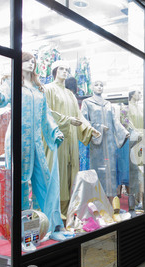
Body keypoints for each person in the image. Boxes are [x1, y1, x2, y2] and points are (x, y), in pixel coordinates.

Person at [0, 52, 70, 241]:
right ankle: (20, 231)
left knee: (44, 180)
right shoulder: (12, 84)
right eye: (27, 60)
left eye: (33, 61)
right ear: (19, 63)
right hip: (18, 139)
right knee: (19, 183)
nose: (31, 63)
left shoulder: (38, 89)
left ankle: (49, 227)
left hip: (36, 141)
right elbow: (0, 100)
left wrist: (54, 131)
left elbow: (46, 117)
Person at [44, 60, 101, 218]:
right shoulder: (48, 89)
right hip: (58, 139)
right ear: (54, 70)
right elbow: (46, 112)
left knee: (72, 174)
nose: (64, 72)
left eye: (66, 69)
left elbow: (79, 115)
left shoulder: (70, 94)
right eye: (61, 69)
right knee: (59, 174)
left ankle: (70, 213)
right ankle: (56, 215)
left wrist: (89, 128)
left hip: (72, 140)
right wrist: (66, 120)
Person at [81, 81, 130, 203]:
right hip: (96, 142)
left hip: (109, 143)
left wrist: (123, 132)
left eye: (101, 85)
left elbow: (115, 121)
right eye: (96, 85)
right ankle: (97, 202)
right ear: (92, 87)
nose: (99, 87)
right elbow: (84, 121)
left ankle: (111, 202)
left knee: (111, 171)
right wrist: (97, 127)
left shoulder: (108, 104)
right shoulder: (87, 103)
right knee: (97, 171)